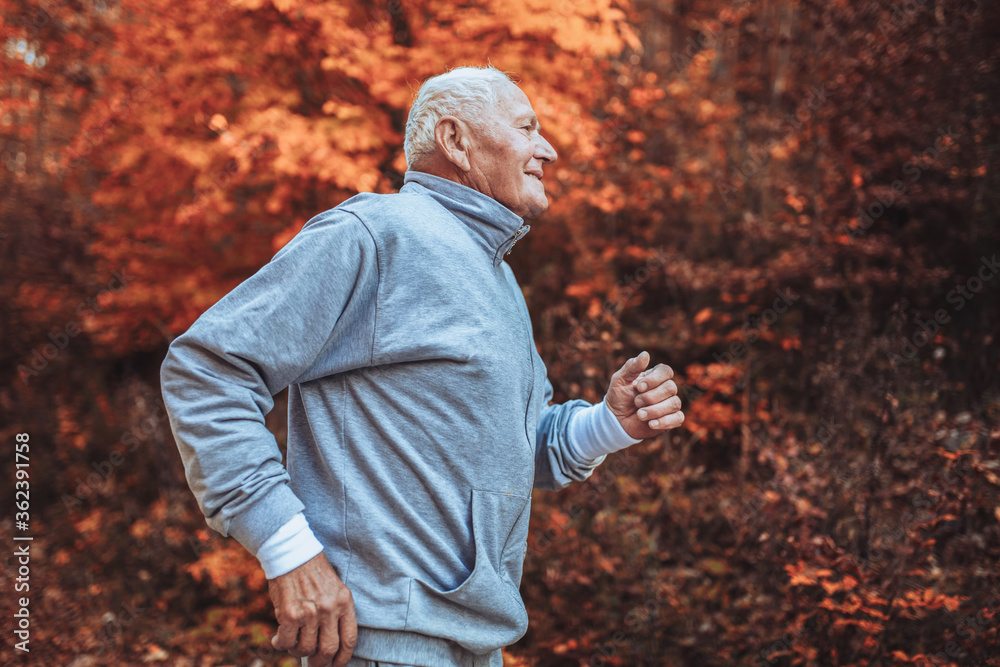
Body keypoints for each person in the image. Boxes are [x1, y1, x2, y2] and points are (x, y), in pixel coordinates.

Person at [160, 65, 684, 667]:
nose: (550, 149)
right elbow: (207, 372)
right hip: (379, 645)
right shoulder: (375, 234)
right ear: (457, 141)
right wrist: (289, 553)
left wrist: (611, 424)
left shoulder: (500, 279)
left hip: (476, 647)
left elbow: (519, 450)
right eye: (526, 127)